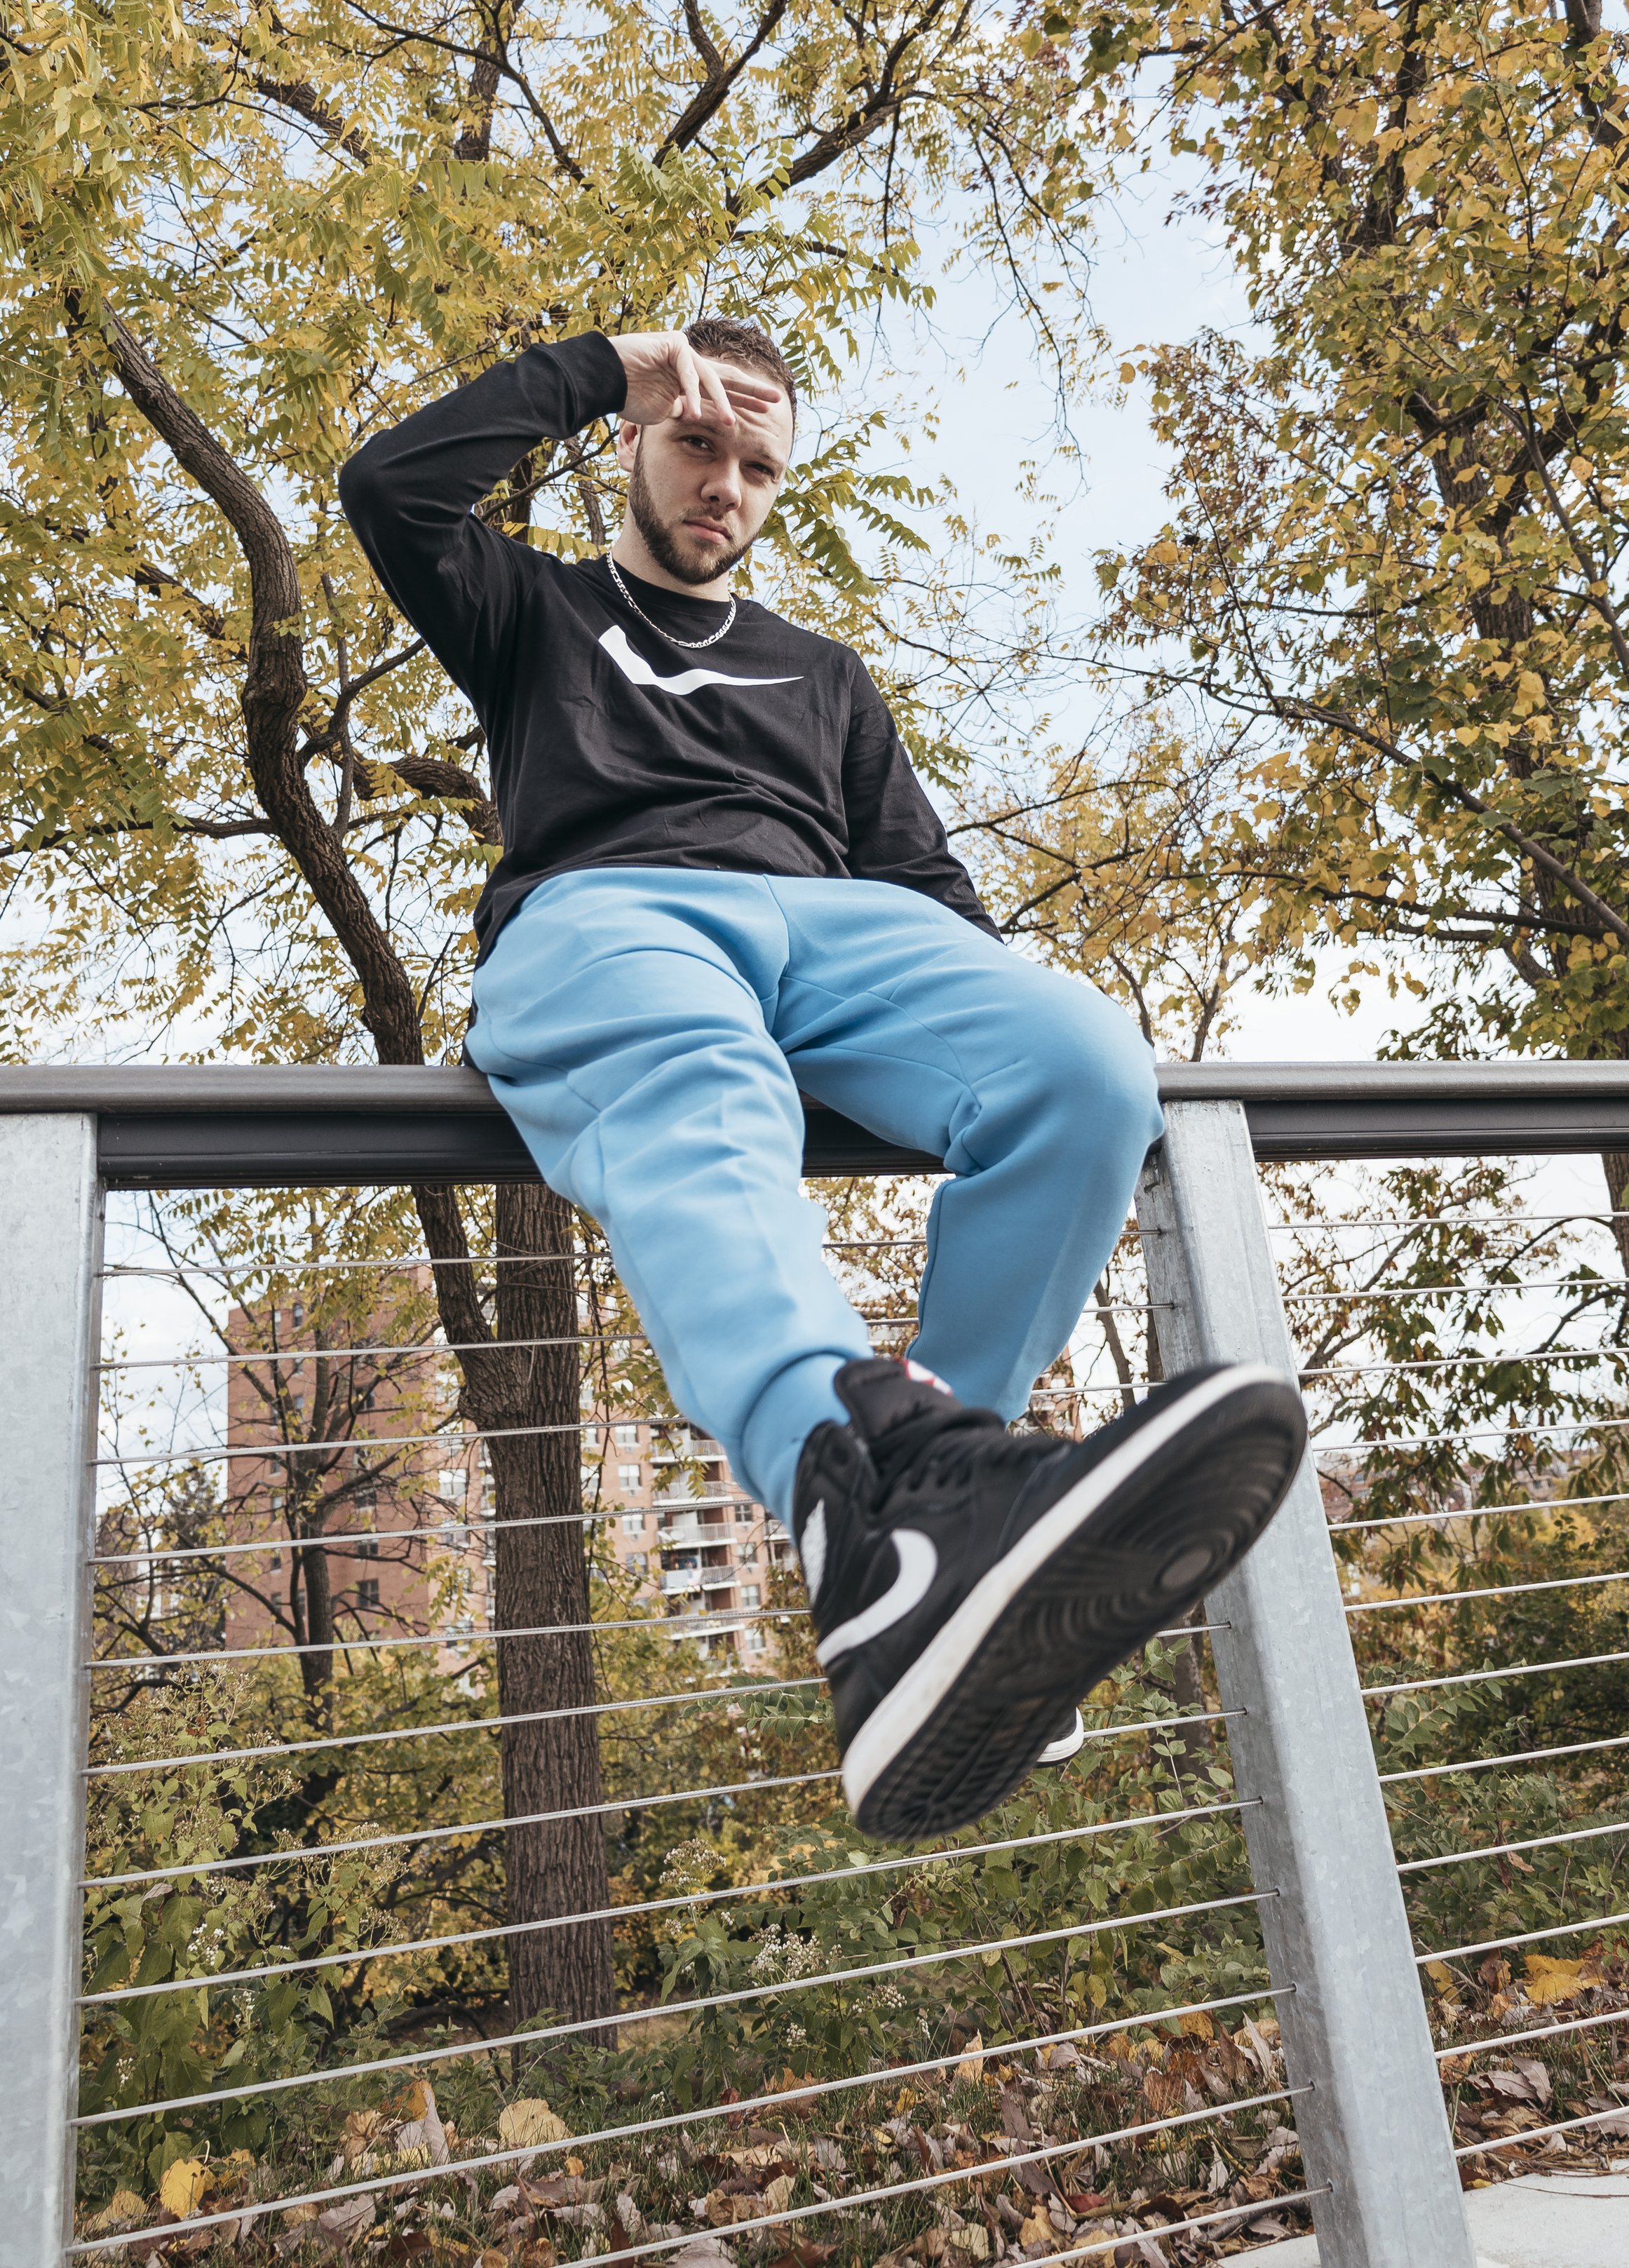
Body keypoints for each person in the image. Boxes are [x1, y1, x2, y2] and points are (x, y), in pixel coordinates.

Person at [340, 319, 1306, 1840]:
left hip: (843, 934)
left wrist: (984, 1024)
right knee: (701, 1085)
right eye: (696, 444)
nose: (723, 481)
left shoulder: (823, 676)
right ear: (640, 445)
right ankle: (860, 1503)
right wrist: (607, 363)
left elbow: (927, 890)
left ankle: (941, 1549)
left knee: (1083, 1065)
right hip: (611, 916)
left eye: (754, 464)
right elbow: (388, 486)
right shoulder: (532, 607)